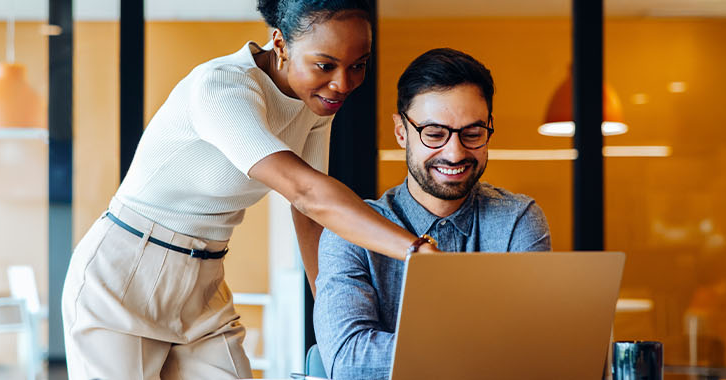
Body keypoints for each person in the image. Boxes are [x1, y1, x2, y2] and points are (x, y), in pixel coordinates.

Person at [60, 1, 445, 379]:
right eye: (325, 65)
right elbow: (306, 192)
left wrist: (330, 315)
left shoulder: (314, 103)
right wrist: (414, 250)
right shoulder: (222, 86)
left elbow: (311, 216)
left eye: (358, 65)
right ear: (279, 44)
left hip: (203, 283)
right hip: (124, 276)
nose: (342, 84)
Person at [312, 48, 553, 379]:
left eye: (472, 134)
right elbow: (350, 361)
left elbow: (540, 353)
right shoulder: (349, 231)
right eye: (435, 134)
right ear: (401, 132)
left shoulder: (517, 220)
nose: (454, 153)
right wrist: (489, 349)